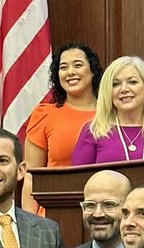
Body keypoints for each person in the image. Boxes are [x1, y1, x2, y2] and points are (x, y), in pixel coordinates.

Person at [22, 42, 103, 212]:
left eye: (78, 65)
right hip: (54, 213)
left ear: (93, 71)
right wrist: (30, 225)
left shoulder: (112, 114)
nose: (70, 72)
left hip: (103, 213)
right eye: (63, 67)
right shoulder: (44, 114)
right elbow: (31, 179)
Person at [71, 55, 144, 165]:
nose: (124, 89)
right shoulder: (93, 130)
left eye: (132, 82)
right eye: (115, 84)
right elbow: (78, 180)